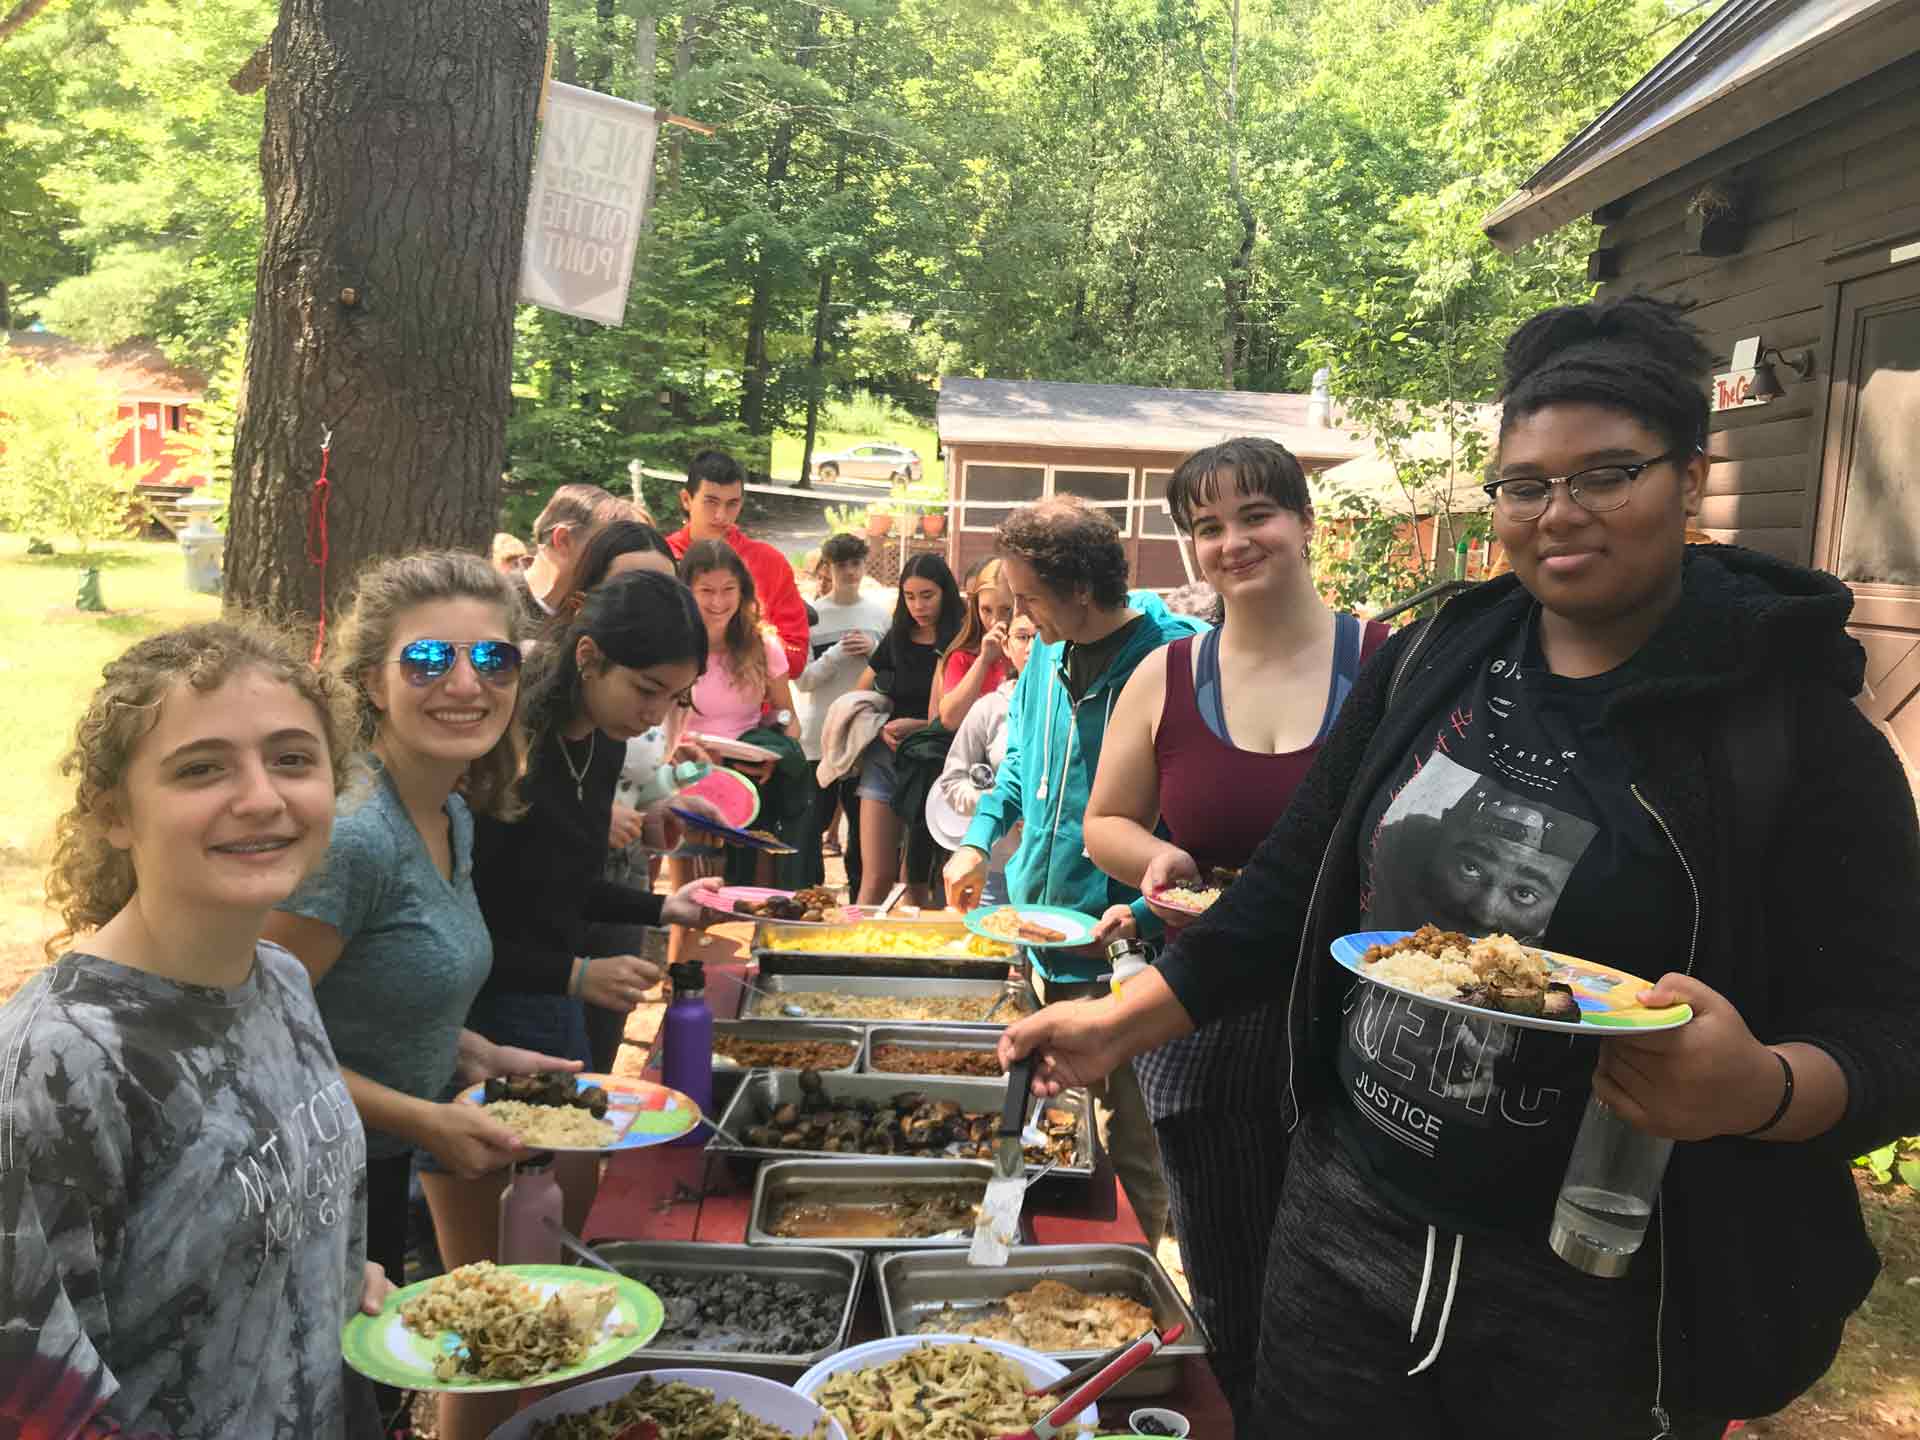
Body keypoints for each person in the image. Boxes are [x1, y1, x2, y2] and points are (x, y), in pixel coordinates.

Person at [997, 296, 1920, 1436]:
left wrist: (1759, 1091)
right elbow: (1293, 888)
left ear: (1691, 478)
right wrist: (1121, 1023)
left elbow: (1894, 1031)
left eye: (1607, 473)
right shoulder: (1434, 662)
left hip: (1598, 1281)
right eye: (1526, 483)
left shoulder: (1797, 739)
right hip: (1343, 1225)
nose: (1559, 513)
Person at [1, 622, 387, 1438]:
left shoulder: (277, 978)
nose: (261, 797)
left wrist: (333, 1273)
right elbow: (31, 1404)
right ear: (115, 814)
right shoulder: (63, 1063)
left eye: (292, 758)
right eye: (201, 768)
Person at [1081, 436, 1389, 1413]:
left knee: (1353, 1286)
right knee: (1227, 1277)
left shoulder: (1390, 665)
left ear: (1303, 521)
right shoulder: (1165, 677)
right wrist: (1153, 859)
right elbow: (1105, 824)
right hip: (1201, 1016)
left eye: (1256, 514)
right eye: (1206, 527)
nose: (1234, 542)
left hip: (1356, 1024)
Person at [261, 552, 579, 1440]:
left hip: (379, 1164)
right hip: (307, 1188)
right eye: (430, 661)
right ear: (371, 680)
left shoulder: (450, 812)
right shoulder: (355, 837)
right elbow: (256, 1043)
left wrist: (477, 1054)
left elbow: (386, 989)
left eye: (495, 660)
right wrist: (426, 1117)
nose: (467, 684)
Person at [943, 497, 1202, 1247]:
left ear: (1081, 590)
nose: (1015, 618)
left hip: (1129, 950)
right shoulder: (1048, 657)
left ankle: (1131, 1279)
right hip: (1036, 929)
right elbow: (1020, 761)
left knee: (1132, 1144)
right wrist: (977, 840)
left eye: (1027, 598)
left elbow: (1199, 821)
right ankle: (1014, 1257)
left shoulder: (1172, 659)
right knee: (1031, 1116)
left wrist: (1153, 913)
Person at [465, 569, 719, 1128]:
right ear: (588, 656)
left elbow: (566, 886)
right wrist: (574, 975)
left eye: (675, 698)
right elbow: (473, 922)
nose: (655, 714)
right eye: (646, 690)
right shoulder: (511, 750)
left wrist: (662, 908)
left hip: (553, 989)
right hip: (491, 1011)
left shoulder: (604, 740)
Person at [851, 553, 964, 905]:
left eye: (927, 595)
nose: (918, 605)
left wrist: (921, 726)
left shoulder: (962, 639)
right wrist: (881, 725)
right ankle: (853, 956)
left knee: (917, 879)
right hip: (885, 757)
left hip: (936, 765)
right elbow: (860, 694)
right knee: (875, 876)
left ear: (945, 592)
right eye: (909, 596)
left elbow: (960, 711)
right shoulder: (897, 637)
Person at [793, 531, 890, 891]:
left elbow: (894, 675)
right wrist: (835, 654)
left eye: (856, 563)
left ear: (866, 565)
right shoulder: (816, 616)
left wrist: (874, 650)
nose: (850, 571)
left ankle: (859, 905)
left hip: (864, 738)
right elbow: (802, 680)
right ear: (827, 568)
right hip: (818, 738)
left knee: (863, 832)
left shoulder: (879, 615)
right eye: (841, 564)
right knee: (810, 825)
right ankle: (809, 898)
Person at [666, 449, 810, 678]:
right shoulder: (661, 558)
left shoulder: (770, 562)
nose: (721, 515)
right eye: (711, 502)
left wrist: (745, 637)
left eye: (732, 504)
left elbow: (796, 658)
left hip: (752, 708)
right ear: (686, 499)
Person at [928, 610, 1037, 904]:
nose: (1031, 647)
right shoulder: (989, 708)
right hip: (993, 869)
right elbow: (952, 782)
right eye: (1022, 637)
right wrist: (997, 802)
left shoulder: (1073, 708)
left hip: (1051, 872)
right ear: (1006, 645)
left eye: (1039, 637)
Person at [514, 483, 638, 624]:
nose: (619, 563)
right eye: (609, 548)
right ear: (563, 540)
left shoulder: (604, 619)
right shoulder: (493, 607)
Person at [933, 557, 1015, 731]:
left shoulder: (1033, 649)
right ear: (975, 608)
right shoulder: (962, 656)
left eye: (1006, 610)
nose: (994, 621)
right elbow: (949, 720)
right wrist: (983, 661)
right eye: (986, 610)